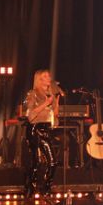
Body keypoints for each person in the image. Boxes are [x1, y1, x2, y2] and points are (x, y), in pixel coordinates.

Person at [24, 69, 61, 197]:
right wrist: (46, 103)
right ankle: (31, 188)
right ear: (39, 80)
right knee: (36, 161)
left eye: (49, 75)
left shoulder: (51, 94)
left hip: (46, 128)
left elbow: (54, 115)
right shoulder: (33, 93)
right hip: (35, 128)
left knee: (52, 162)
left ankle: (45, 188)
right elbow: (31, 115)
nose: (49, 77)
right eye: (45, 76)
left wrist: (56, 104)